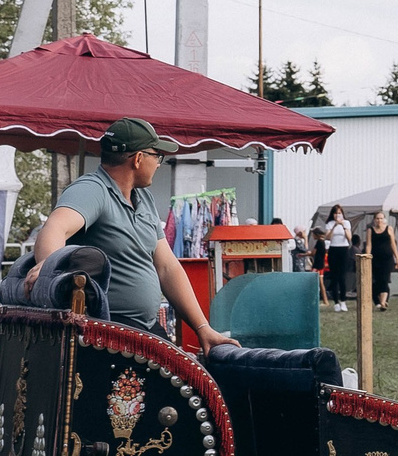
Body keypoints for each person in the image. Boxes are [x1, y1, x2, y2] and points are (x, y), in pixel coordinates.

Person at [23, 118, 237, 347]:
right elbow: (55, 227)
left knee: (184, 369)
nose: (158, 164)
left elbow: (167, 267)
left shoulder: (144, 197)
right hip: (107, 328)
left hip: (146, 326)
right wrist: (48, 265)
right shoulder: (92, 189)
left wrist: (203, 328)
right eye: (157, 156)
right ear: (138, 159)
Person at [323, 206, 354, 307]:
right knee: (334, 277)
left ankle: (343, 300)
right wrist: (334, 226)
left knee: (342, 276)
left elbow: (349, 238)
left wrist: (343, 226)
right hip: (333, 249)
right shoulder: (329, 224)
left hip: (344, 250)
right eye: (335, 213)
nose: (337, 215)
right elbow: (328, 237)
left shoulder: (347, 223)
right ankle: (336, 302)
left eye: (339, 213)